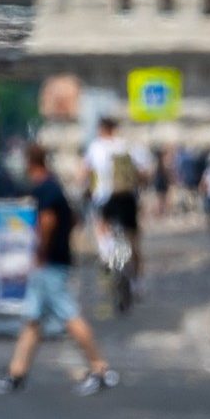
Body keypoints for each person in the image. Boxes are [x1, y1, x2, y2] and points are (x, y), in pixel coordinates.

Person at [0, 144, 117, 396]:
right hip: (52, 261)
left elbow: (47, 222)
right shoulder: (53, 186)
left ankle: (100, 368)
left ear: (29, 162)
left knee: (69, 315)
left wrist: (40, 252)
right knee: (32, 320)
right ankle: (16, 373)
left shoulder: (45, 188)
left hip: (49, 263)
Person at [84, 110, 145, 297]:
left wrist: (88, 188)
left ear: (101, 129)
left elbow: (85, 172)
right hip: (127, 198)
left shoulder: (96, 147)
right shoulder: (127, 146)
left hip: (104, 199)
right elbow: (144, 172)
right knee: (133, 239)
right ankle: (136, 282)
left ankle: (108, 256)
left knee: (101, 227)